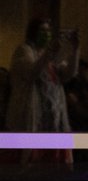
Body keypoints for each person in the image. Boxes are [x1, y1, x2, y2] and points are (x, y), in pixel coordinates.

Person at [6, 18, 76, 165]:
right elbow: (32, 72)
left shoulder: (51, 57)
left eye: (48, 31)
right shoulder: (24, 51)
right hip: (31, 117)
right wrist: (49, 52)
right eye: (42, 31)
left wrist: (75, 49)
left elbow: (69, 74)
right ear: (33, 33)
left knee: (53, 166)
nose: (47, 34)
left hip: (53, 120)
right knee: (29, 164)